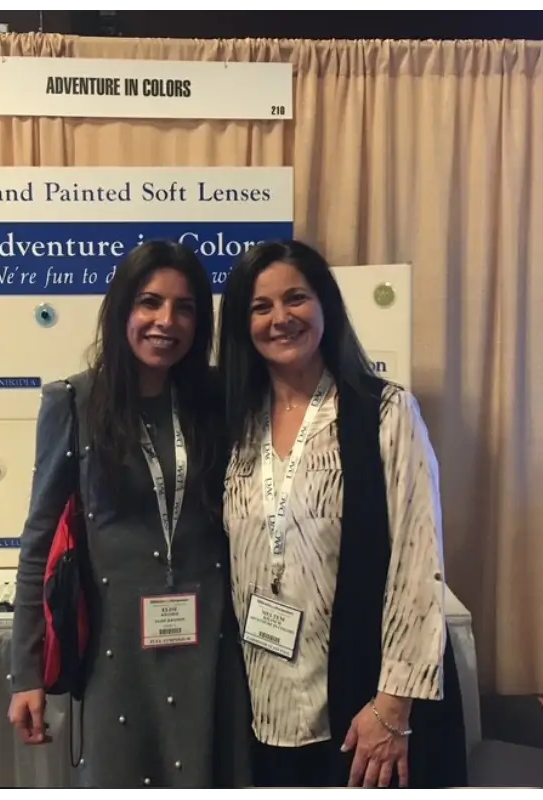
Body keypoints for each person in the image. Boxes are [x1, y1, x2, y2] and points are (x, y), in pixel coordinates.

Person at [217, 240, 466, 790]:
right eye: (261, 307)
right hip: (265, 709)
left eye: (296, 298)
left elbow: (417, 565)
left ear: (325, 305)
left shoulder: (384, 410)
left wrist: (392, 708)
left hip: (363, 718)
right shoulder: (235, 425)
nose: (281, 318)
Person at [8, 240, 251, 790]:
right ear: (121, 309)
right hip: (117, 657)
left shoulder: (219, 399)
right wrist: (26, 673)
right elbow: (40, 544)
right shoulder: (73, 403)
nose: (166, 321)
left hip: (213, 649)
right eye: (150, 303)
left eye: (184, 307)